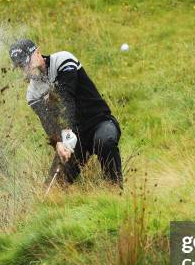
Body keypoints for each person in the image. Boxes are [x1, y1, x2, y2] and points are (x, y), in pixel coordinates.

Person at [9, 39, 123, 188]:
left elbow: (66, 98)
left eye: (27, 62)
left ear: (37, 52)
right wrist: (58, 143)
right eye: (20, 66)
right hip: (74, 137)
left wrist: (65, 134)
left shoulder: (63, 60)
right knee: (52, 189)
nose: (25, 69)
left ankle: (115, 192)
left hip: (99, 122)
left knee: (105, 141)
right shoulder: (32, 94)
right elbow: (48, 122)